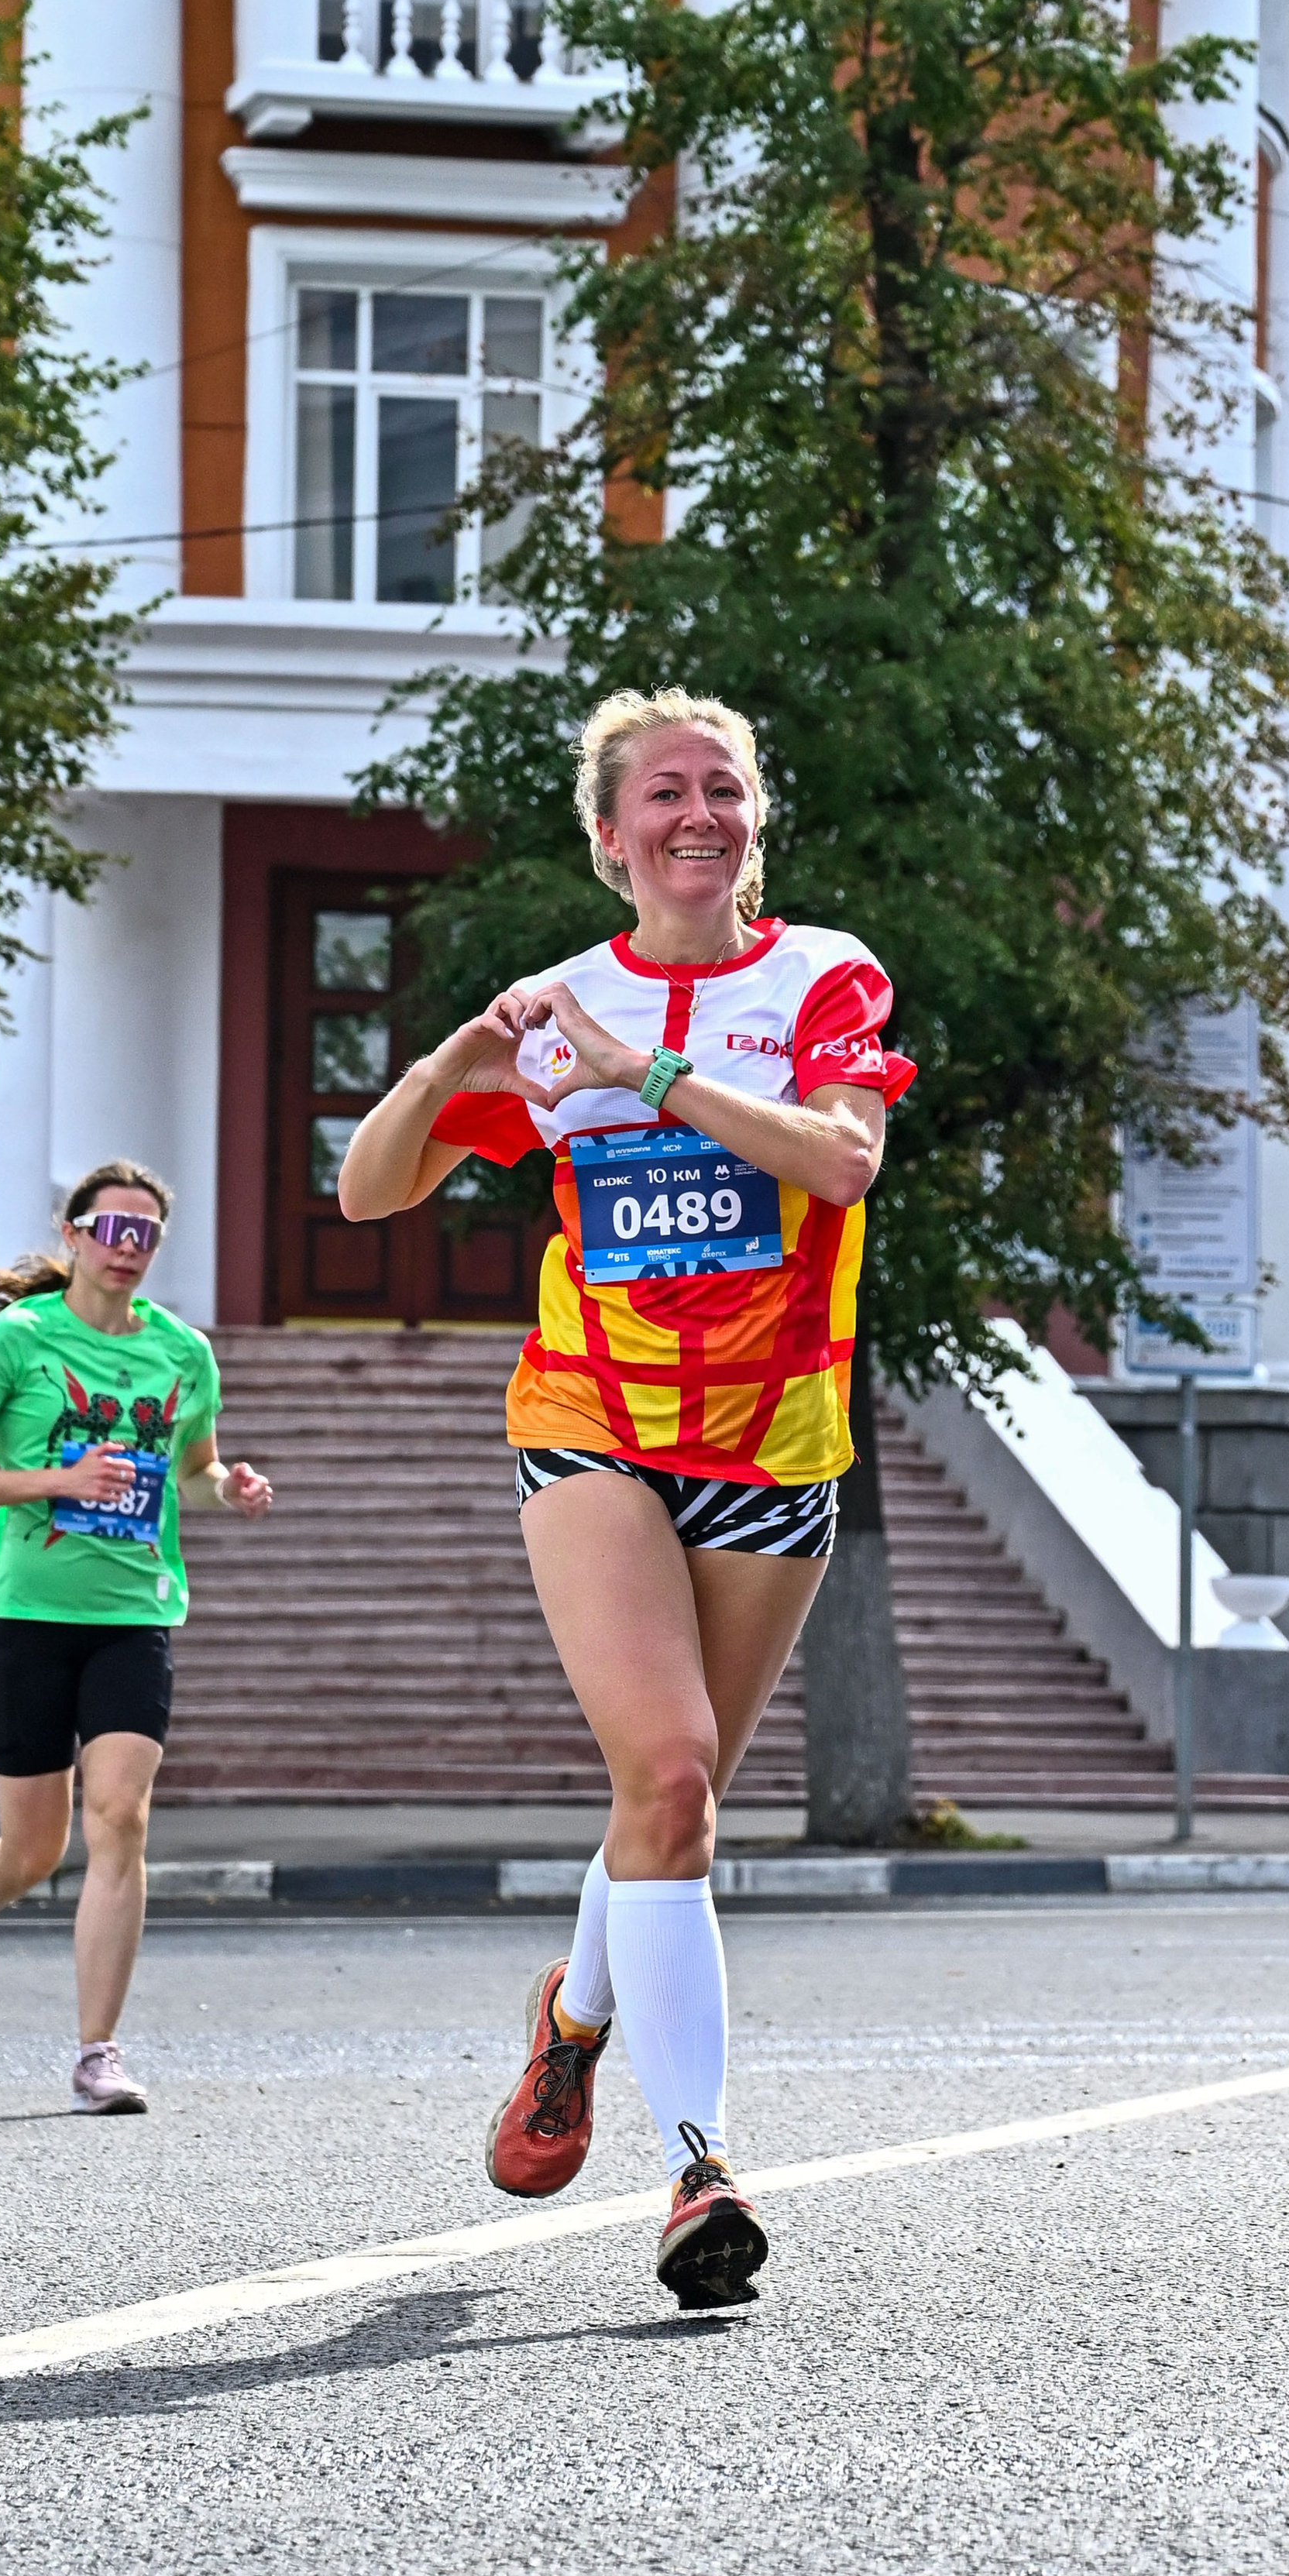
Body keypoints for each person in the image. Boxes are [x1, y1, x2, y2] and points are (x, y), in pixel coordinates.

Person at [338, 686, 912, 2304]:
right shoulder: (555, 1008)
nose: (695, 816)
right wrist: (461, 1055)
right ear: (609, 839)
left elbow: (840, 1158)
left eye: (720, 789)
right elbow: (368, 1188)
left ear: (752, 821)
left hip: (774, 1439)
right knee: (665, 1771)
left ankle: (569, 2021)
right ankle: (696, 2168)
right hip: (591, 1417)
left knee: (666, 1807)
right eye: (660, 794)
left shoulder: (822, 974)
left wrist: (648, 1073)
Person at [0, 1162, 273, 2111]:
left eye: (145, 1232)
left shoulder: (182, 1352)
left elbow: (192, 1473)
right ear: (73, 1234)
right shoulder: (18, 1339)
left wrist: (227, 1488)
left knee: (119, 1816)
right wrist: (55, 1483)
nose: (127, 1246)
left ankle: (96, 2054)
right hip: (29, 1613)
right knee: (32, 1850)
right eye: (110, 1226)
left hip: (135, 1615)